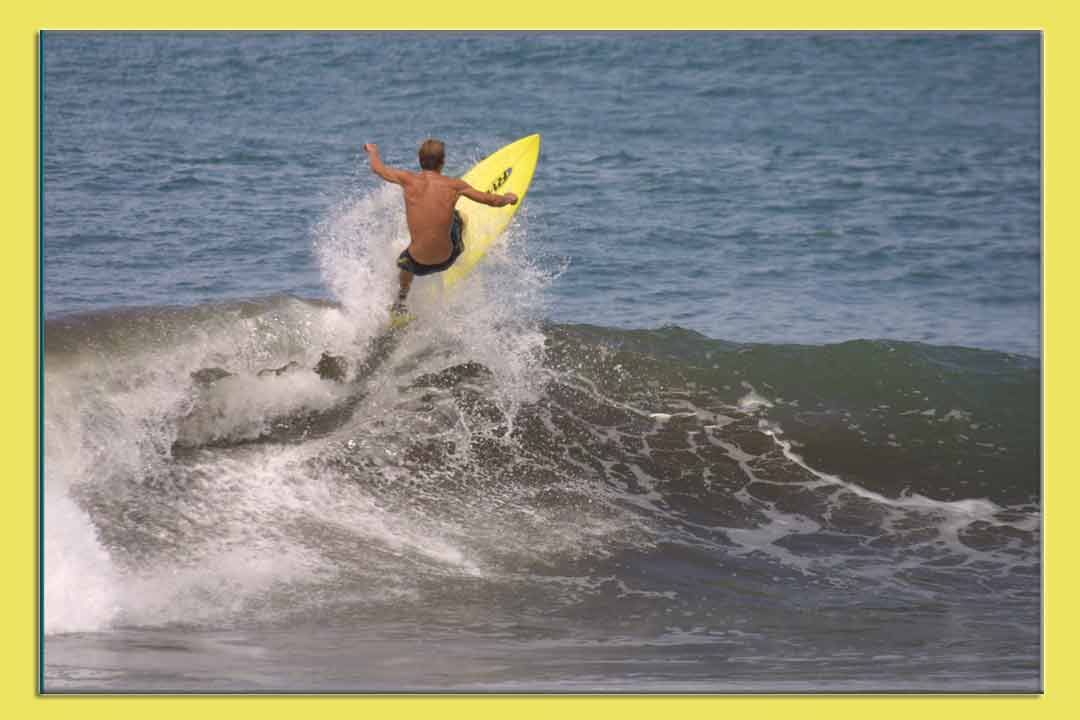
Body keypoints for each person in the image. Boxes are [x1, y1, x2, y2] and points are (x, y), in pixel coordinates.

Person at [363, 139, 519, 314]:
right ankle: (462, 239)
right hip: (447, 258)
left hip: (418, 263)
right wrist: (508, 198)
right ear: (442, 162)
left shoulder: (407, 180)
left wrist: (373, 151)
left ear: (419, 160)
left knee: (404, 262)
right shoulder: (454, 186)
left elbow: (378, 169)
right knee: (458, 217)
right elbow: (492, 201)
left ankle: (401, 300)